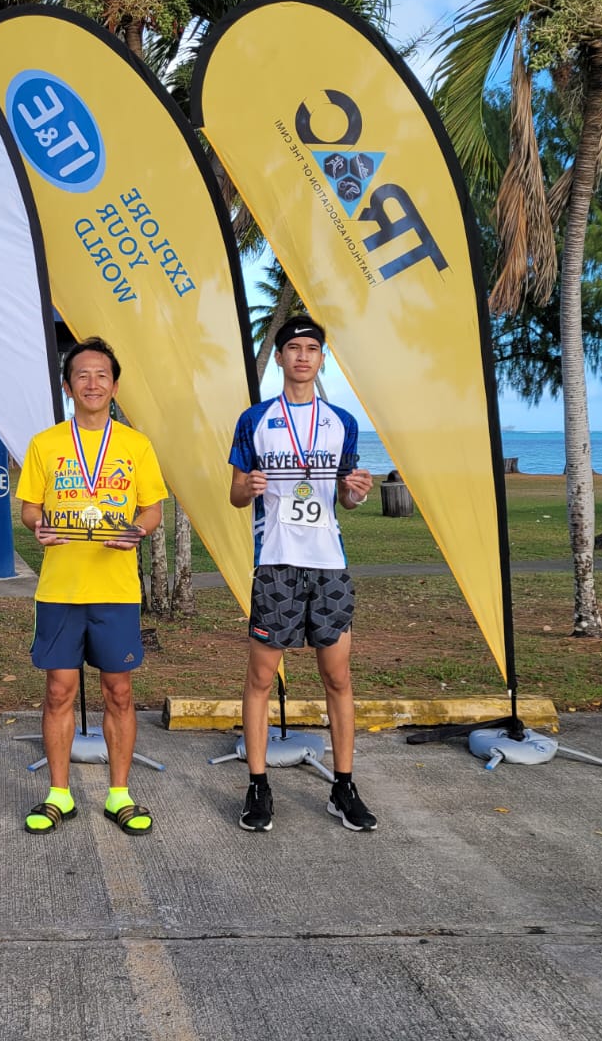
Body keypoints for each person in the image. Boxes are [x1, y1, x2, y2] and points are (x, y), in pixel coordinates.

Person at [228, 315, 377, 833]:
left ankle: (343, 786)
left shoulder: (342, 422)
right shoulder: (254, 420)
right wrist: (248, 485)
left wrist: (357, 492)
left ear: (321, 357)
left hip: (328, 567)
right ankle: (258, 786)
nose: (302, 356)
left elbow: (347, 499)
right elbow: (236, 494)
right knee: (261, 678)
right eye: (293, 347)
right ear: (280, 356)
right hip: (276, 563)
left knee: (338, 677)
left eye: (312, 348)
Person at [17, 337, 167, 837]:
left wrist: (138, 531)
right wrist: (37, 525)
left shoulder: (135, 444)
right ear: (68, 386)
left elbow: (152, 509)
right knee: (59, 692)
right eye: (82, 375)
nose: (92, 383)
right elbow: (30, 510)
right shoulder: (45, 444)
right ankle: (59, 794)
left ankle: (118, 794)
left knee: (119, 692)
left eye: (102, 375)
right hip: (60, 589)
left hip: (116, 589)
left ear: (114, 385)